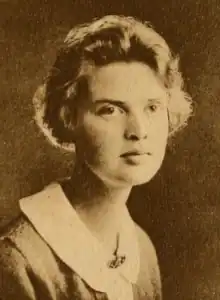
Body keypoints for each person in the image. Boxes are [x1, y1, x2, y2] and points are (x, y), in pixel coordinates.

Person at [0, 15, 192, 300]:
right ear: (69, 118)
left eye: (152, 108)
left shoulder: (140, 249)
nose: (139, 131)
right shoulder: (20, 261)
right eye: (111, 110)